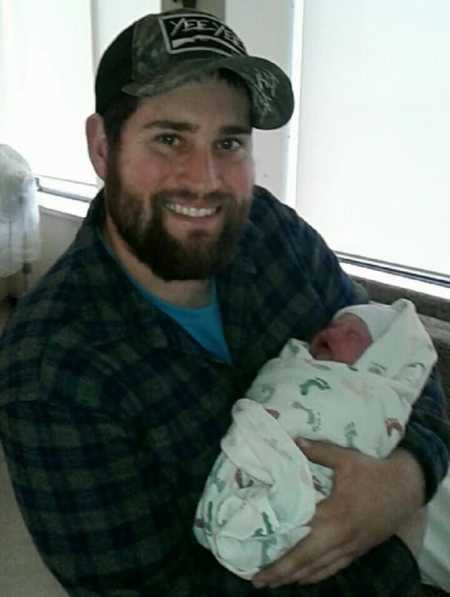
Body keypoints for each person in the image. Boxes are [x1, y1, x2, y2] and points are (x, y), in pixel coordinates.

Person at [0, 7, 448, 597]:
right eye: (169, 139)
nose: (205, 178)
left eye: (229, 142)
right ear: (103, 147)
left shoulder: (272, 232)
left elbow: (404, 363)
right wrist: (370, 539)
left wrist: (406, 478)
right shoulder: (51, 370)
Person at [194, 299, 437, 579]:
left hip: (358, 480)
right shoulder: (298, 363)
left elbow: (420, 383)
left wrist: (406, 478)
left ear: (380, 360)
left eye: (351, 335)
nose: (333, 334)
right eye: (332, 326)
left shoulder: (378, 391)